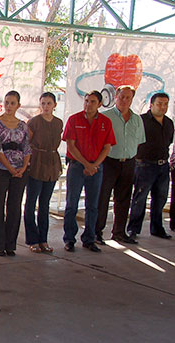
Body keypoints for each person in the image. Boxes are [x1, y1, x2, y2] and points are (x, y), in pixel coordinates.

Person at [62, 91, 116, 252]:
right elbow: (71, 145)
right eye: (86, 101)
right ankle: (69, 239)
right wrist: (86, 164)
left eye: (92, 101)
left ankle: (89, 238)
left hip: (96, 168)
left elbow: (107, 147)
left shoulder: (106, 122)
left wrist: (95, 165)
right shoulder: (74, 119)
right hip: (77, 167)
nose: (88, 104)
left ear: (100, 104)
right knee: (72, 204)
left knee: (92, 205)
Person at [96, 86, 145, 245]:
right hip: (109, 162)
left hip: (129, 163)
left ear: (132, 99)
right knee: (102, 198)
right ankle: (97, 232)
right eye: (122, 97)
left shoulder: (137, 119)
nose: (124, 100)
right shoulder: (105, 117)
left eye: (128, 98)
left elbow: (137, 142)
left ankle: (119, 232)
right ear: (115, 96)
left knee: (124, 199)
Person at [0, 90, 32, 256]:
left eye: (12, 103)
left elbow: (27, 148)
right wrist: (10, 168)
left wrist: (23, 167)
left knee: (14, 207)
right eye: (6, 102)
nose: (9, 106)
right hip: (0, 169)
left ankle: (10, 244)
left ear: (18, 105)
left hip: (19, 172)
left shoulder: (23, 125)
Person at [127, 93, 174, 240]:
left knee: (160, 199)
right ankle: (133, 229)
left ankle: (157, 228)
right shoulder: (141, 120)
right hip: (144, 165)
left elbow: (168, 142)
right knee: (140, 198)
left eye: (165, 104)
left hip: (163, 166)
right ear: (151, 104)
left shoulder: (169, 122)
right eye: (159, 103)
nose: (162, 107)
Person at [23, 92, 63, 253]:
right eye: (43, 103)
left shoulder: (59, 123)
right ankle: (32, 239)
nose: (46, 106)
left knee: (45, 204)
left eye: (49, 103)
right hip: (36, 161)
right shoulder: (33, 122)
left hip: (52, 162)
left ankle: (43, 239)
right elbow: (27, 142)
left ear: (54, 105)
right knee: (31, 202)